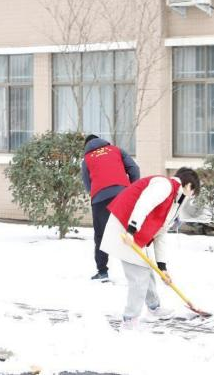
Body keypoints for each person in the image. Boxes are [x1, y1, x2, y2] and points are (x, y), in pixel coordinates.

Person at [100, 167, 200, 329]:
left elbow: (161, 233)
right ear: (189, 185)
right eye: (193, 192)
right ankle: (129, 320)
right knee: (139, 276)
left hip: (133, 233)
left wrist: (162, 267)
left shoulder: (174, 201)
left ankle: (154, 307)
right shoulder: (164, 185)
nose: (191, 196)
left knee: (146, 269)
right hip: (124, 228)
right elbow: (143, 204)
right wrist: (131, 229)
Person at [81, 134, 140, 282]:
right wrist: (132, 189)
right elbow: (134, 168)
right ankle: (138, 270)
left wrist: (96, 193)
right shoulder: (117, 150)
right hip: (123, 195)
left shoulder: (86, 159)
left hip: (100, 199)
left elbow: (88, 184)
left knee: (101, 236)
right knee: (129, 231)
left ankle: (102, 272)